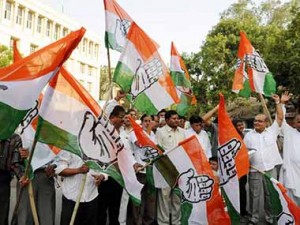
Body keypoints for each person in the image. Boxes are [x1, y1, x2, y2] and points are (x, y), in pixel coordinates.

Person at [243, 94, 283, 225]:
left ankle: (270, 218)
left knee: (270, 195)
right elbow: (243, 153)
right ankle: (253, 219)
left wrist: (278, 102)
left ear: (266, 123)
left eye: (260, 121)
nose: (256, 123)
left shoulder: (272, 132)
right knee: (254, 196)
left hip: (270, 170)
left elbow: (280, 118)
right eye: (255, 121)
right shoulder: (248, 136)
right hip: (255, 170)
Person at [56, 150, 106, 225]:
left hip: (91, 197)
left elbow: (105, 167)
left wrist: (102, 176)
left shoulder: (98, 145)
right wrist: (79, 170)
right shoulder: (70, 143)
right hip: (71, 198)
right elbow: (60, 170)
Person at [155, 110, 185, 225]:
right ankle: (163, 222)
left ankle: (176, 222)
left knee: (177, 198)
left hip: (179, 170)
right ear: (167, 120)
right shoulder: (160, 132)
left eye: (177, 118)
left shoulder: (182, 132)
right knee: (164, 197)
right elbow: (158, 151)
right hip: (165, 170)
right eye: (173, 118)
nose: (176, 120)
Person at [128, 114, 158, 225]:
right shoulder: (134, 133)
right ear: (141, 122)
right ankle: (137, 221)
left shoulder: (153, 134)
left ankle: (148, 221)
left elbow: (156, 149)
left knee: (150, 199)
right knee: (138, 199)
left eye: (150, 121)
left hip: (151, 171)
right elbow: (140, 144)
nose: (147, 123)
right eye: (145, 121)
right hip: (140, 170)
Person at [0, 133, 28, 225]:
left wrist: (22, 176)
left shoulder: (14, 138)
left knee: (2, 214)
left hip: (3, 178)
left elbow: (16, 163)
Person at [279, 91, 300, 206]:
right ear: (295, 123)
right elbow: (281, 120)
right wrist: (282, 104)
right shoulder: (289, 133)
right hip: (291, 176)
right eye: (298, 121)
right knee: (292, 206)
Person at [232, 119, 249, 220]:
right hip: (234, 168)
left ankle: (243, 211)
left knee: (243, 190)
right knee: (236, 190)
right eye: (238, 125)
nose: (241, 127)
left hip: (243, 167)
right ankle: (236, 211)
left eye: (241, 125)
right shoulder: (232, 137)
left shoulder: (245, 135)